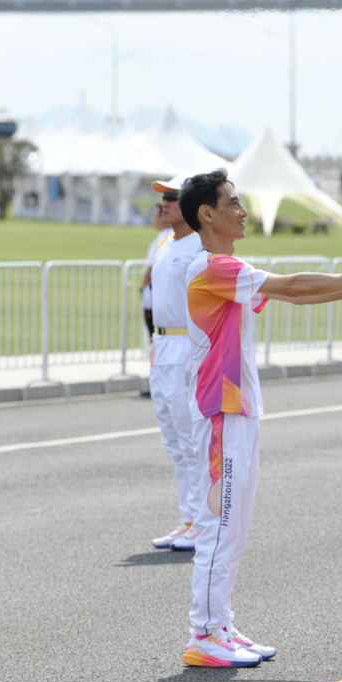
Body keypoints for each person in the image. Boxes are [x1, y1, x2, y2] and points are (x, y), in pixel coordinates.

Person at [177, 168, 342, 667]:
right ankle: (203, 634)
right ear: (207, 214)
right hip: (221, 412)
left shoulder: (229, 268)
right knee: (220, 524)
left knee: (234, 525)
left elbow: (292, 292)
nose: (243, 210)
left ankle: (221, 624)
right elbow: (294, 285)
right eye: (233, 202)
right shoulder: (211, 267)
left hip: (239, 410)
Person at [147, 177, 206, 552]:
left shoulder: (201, 244)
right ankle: (188, 518)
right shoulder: (165, 242)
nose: (164, 205)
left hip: (188, 344)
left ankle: (203, 521)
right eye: (163, 199)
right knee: (175, 442)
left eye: (171, 198)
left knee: (192, 439)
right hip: (163, 343)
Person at [141, 203, 172, 339]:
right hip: (162, 295)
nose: (153, 219)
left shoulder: (164, 237)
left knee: (154, 337)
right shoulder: (169, 235)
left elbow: (151, 267)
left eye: (155, 216)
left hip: (153, 296)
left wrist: (142, 288)